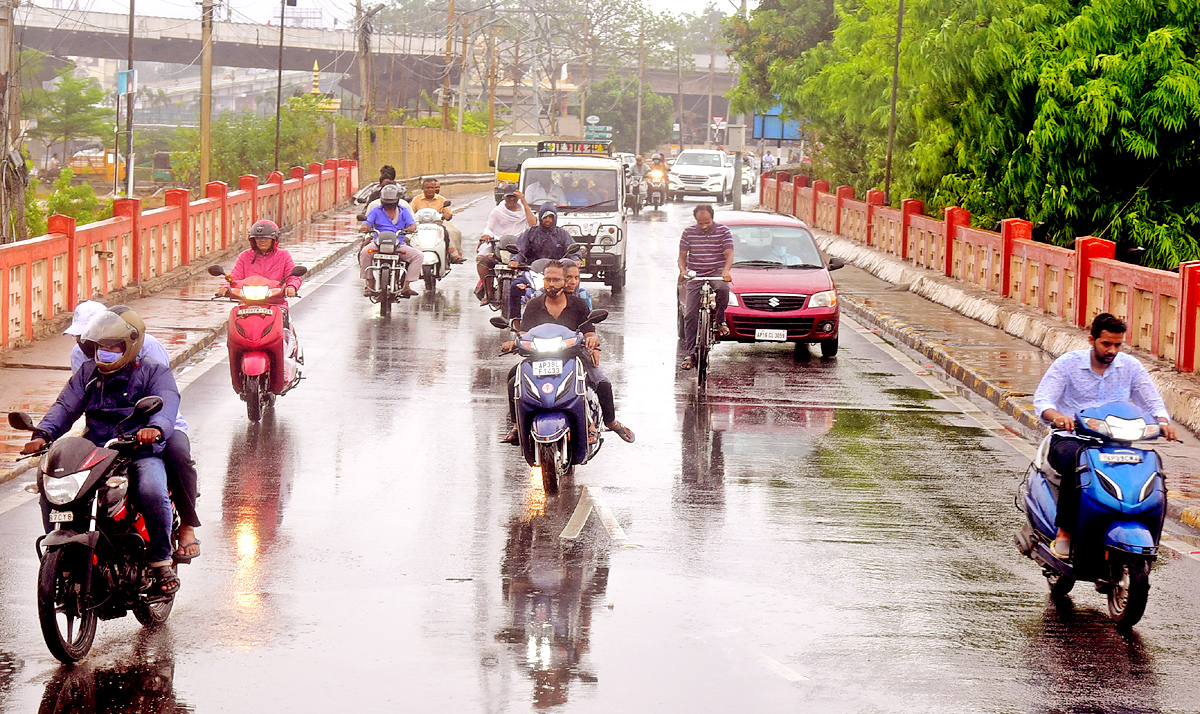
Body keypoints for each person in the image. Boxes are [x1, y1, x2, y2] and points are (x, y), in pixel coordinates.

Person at [22, 308, 183, 597]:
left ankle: (160, 561)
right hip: (96, 451)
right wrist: (42, 434)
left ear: (130, 346)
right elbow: (65, 407)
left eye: (113, 347)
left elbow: (167, 406)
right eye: (101, 347)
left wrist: (155, 428)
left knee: (151, 489)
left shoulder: (154, 372)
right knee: (53, 491)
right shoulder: (87, 373)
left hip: (139, 451)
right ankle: (64, 559)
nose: (105, 353)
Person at [1032, 313, 1176, 559]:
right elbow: (1043, 400)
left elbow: (1152, 401)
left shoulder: (1130, 367)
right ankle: (1064, 531)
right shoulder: (1068, 364)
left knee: (1154, 468)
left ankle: (1150, 532)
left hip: (1116, 443)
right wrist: (1058, 416)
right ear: (1092, 340)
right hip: (1071, 439)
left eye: (1118, 345)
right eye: (1106, 344)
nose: (1112, 350)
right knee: (1078, 463)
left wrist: (1163, 422)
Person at [65, 302, 201, 562]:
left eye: (107, 343)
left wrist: (155, 427)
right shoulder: (81, 357)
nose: (86, 345)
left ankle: (186, 526)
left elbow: (161, 394)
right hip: (107, 434)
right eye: (83, 339)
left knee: (176, 458)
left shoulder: (148, 352)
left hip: (152, 427)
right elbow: (76, 398)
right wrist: (45, 433)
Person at [501, 260, 634, 445]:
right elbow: (524, 333)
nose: (552, 284)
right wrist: (514, 342)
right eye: (548, 279)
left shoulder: (579, 304)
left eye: (556, 280)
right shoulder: (533, 305)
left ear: (564, 281)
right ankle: (517, 426)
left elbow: (589, 330)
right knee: (512, 379)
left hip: (573, 356)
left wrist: (592, 342)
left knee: (601, 382)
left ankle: (607, 422)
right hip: (539, 357)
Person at [678, 204, 733, 370]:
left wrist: (725, 271)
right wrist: (683, 271)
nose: (703, 226)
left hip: (716, 271)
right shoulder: (688, 233)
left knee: (723, 289)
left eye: (706, 223)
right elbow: (681, 257)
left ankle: (721, 320)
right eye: (700, 223)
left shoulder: (723, 231)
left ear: (712, 218)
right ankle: (691, 353)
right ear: (695, 220)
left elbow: (729, 254)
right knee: (689, 314)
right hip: (696, 273)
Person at [509, 203, 582, 327]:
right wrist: (515, 259)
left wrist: (575, 259)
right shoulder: (530, 233)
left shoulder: (562, 234)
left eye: (551, 217)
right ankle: (515, 321)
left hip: (557, 273)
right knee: (515, 286)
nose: (548, 220)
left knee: (575, 288)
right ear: (540, 217)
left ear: (555, 218)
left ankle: (576, 321)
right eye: (545, 217)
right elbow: (520, 249)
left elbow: (573, 249)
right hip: (533, 272)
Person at [477, 183, 536, 305]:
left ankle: (533, 293)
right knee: (481, 261)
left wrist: (525, 203)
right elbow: (489, 228)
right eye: (509, 197)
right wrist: (486, 235)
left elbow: (533, 225)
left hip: (521, 245)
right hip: (500, 244)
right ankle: (488, 293)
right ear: (504, 197)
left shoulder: (524, 210)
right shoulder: (497, 211)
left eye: (514, 197)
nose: (512, 199)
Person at [359, 184, 422, 298]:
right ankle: (370, 283)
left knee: (418, 255)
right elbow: (367, 223)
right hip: (378, 243)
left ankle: (406, 285)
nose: (389, 203)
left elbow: (412, 224)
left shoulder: (403, 211)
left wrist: (410, 228)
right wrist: (364, 227)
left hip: (398, 244)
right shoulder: (375, 210)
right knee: (364, 252)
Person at [409, 177, 465, 264]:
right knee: (409, 234)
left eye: (432, 187)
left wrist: (447, 215)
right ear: (423, 189)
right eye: (427, 188)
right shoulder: (416, 200)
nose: (430, 190)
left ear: (436, 189)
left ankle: (454, 255)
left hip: (438, 224)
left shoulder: (442, 199)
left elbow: (448, 212)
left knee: (451, 231)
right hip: (420, 225)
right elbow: (410, 212)